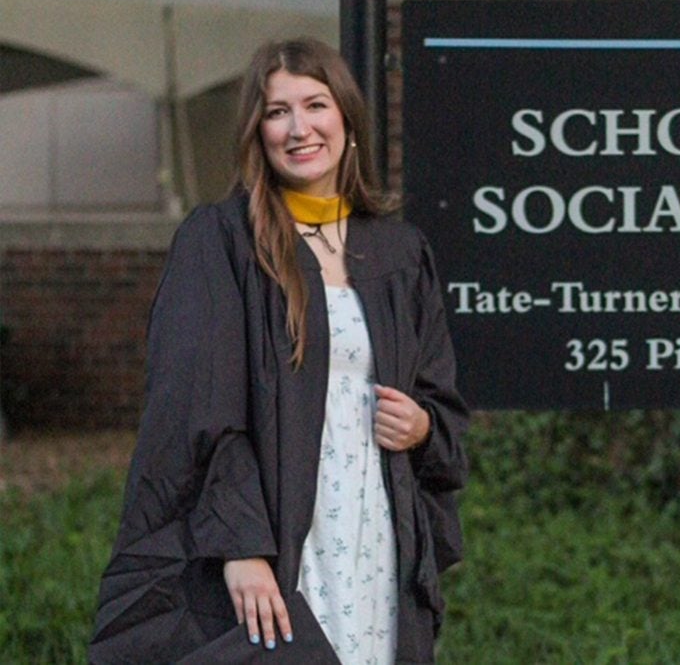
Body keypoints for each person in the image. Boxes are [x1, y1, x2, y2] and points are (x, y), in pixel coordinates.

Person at [90, 37, 469, 664]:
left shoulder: (399, 253)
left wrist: (423, 427)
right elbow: (200, 407)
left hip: (373, 530)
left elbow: (441, 401)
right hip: (277, 533)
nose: (299, 128)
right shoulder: (222, 243)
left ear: (347, 119)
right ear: (256, 131)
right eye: (277, 111)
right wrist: (241, 547)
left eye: (315, 105)